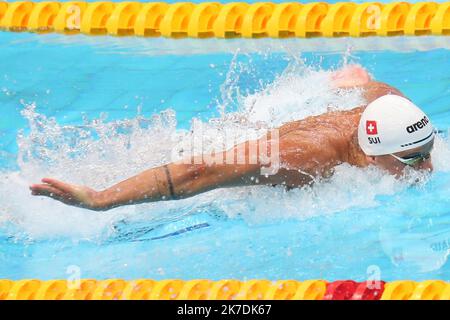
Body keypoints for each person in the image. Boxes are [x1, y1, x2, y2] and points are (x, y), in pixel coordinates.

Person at [29, 65, 435, 211]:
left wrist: (356, 83)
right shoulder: (303, 157)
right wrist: (99, 200)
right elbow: (198, 170)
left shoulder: (394, 107)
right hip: (207, 157)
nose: (428, 166)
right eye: (414, 159)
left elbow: (379, 89)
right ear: (371, 153)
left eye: (427, 151)